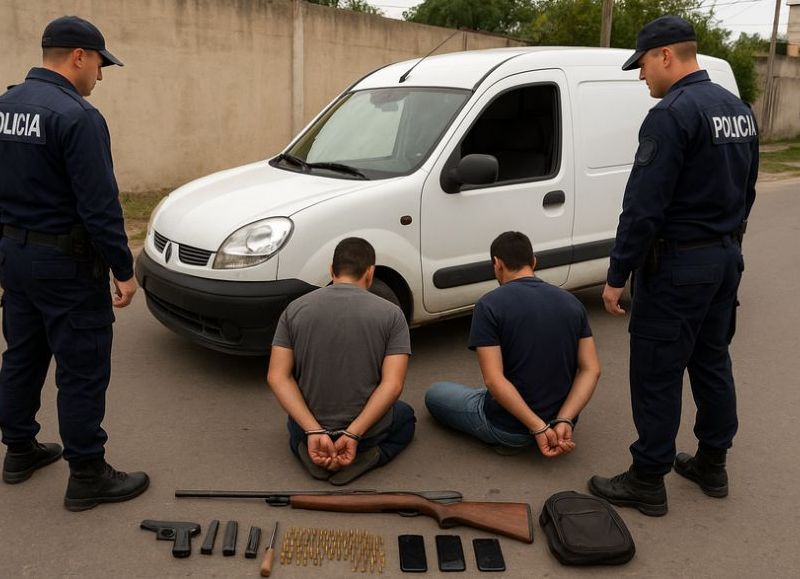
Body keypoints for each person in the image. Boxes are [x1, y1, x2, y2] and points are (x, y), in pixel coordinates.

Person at [588, 16, 758, 516]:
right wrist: (726, 242)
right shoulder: (737, 110)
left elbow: (643, 207)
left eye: (642, 64)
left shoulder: (671, 114)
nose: (641, 76)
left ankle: (647, 478)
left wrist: (617, 275)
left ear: (666, 56)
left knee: (657, 371)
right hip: (724, 259)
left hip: (679, 265)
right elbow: (746, 192)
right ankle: (712, 462)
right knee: (711, 362)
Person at [0, 16, 149, 511]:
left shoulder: (6, 106)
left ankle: (19, 450)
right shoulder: (77, 116)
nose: (100, 77)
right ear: (79, 57)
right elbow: (99, 206)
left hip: (15, 258)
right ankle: (88, 474)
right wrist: (123, 271)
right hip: (66, 266)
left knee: (22, 354)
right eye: (100, 65)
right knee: (81, 369)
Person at [426, 231, 600, 457]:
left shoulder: (489, 305)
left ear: (497, 264)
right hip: (561, 423)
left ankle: (512, 436)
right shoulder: (572, 303)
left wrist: (538, 427)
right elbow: (591, 369)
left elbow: (493, 379)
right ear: (533, 261)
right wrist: (564, 418)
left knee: (435, 393)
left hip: (509, 428)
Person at [268, 237, 415, 485]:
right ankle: (369, 456)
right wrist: (353, 434)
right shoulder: (392, 314)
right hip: (365, 434)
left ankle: (309, 451)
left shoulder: (294, 310)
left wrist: (313, 430)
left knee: (292, 422)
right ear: (370, 273)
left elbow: (277, 376)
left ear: (331, 270)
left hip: (312, 430)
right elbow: (392, 385)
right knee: (406, 417)